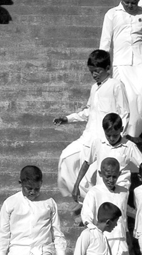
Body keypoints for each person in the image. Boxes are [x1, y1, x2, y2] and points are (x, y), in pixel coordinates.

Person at [54, 49, 130, 199]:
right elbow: (88, 111)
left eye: (97, 71)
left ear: (108, 68)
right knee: (65, 158)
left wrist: (117, 137)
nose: (94, 75)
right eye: (91, 72)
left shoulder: (116, 85)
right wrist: (68, 119)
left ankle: (95, 206)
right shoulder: (94, 88)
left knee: (95, 175)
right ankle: (86, 200)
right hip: (88, 136)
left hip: (105, 139)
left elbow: (124, 113)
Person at [99, 0, 142, 137]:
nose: (130, 6)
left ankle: (134, 135)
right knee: (128, 101)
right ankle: (124, 134)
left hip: (140, 64)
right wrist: (102, 67)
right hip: (120, 65)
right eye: (126, 2)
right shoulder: (112, 14)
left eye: (133, 2)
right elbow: (105, 43)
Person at [81, 158, 132, 255]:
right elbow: (86, 217)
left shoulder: (124, 192)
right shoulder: (94, 192)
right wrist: (96, 235)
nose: (111, 180)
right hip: (104, 239)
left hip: (121, 240)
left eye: (114, 176)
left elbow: (124, 218)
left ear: (119, 174)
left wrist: (128, 240)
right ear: (100, 174)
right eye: (107, 176)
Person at [72, 112, 142, 201]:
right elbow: (87, 162)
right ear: (103, 130)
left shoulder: (130, 146)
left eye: (115, 135)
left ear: (121, 129)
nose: (112, 138)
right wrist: (76, 185)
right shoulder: (97, 143)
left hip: (121, 192)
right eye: (108, 135)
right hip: (102, 191)